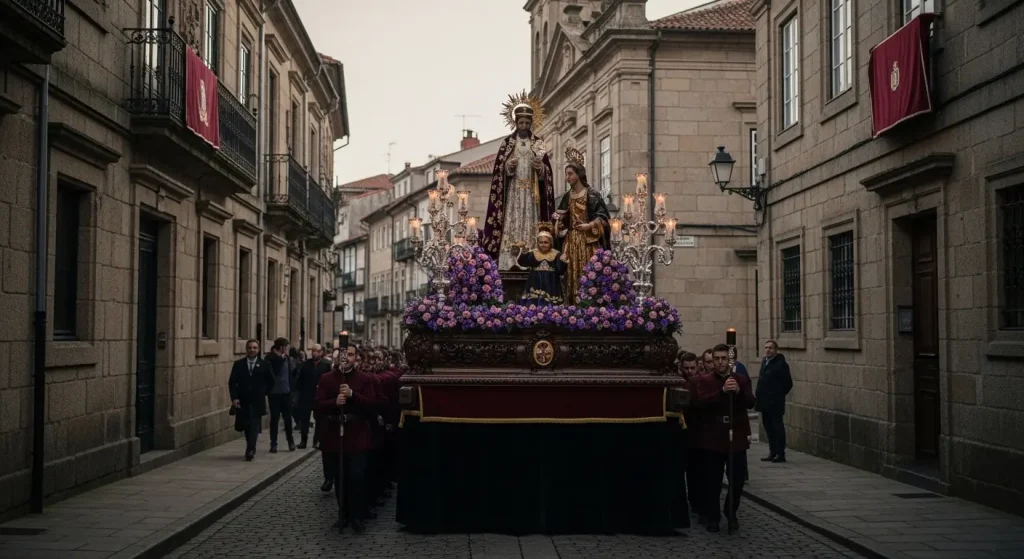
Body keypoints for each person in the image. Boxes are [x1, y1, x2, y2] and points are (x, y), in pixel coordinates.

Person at [315, 343, 386, 534]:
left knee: (356, 477)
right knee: (340, 478)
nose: (347, 358)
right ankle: (343, 514)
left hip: (357, 434)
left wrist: (353, 395)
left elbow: (373, 405)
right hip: (334, 435)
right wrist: (333, 402)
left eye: (351, 355)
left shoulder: (365, 379)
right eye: (344, 355)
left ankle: (357, 515)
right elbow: (317, 404)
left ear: (356, 358)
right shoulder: (327, 378)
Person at [482, 90, 556, 269]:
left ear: (531, 123)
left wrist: (541, 170)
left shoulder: (538, 144)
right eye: (520, 122)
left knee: (531, 220)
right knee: (512, 221)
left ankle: (531, 254)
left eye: (527, 123)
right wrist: (508, 168)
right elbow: (499, 172)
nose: (523, 126)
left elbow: (547, 173)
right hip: (514, 192)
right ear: (515, 123)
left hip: (532, 194)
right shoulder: (507, 144)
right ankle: (509, 259)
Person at [689, 343, 756, 533]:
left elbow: (751, 402)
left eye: (723, 358)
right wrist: (722, 392)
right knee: (712, 480)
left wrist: (738, 392)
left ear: (729, 360)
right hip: (713, 436)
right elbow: (700, 402)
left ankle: (731, 510)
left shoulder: (740, 379)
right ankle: (713, 517)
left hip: (737, 434)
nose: (720, 362)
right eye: (717, 359)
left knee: (737, 478)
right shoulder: (703, 380)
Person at [553, 147, 610, 304]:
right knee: (569, 273)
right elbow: (561, 220)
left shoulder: (592, 194)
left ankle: (589, 305)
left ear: (579, 174)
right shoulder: (567, 196)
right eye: (566, 174)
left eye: (570, 174)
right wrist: (558, 226)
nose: (567, 177)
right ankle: (570, 305)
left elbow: (603, 218)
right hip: (571, 242)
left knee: (589, 272)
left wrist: (589, 225)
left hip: (588, 242)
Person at [228, 339, 275, 461]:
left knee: (254, 425)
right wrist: (234, 398)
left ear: (258, 350)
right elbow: (232, 382)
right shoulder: (239, 364)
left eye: (254, 348)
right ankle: (250, 446)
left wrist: (263, 392)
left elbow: (271, 382)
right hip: (243, 400)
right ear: (246, 349)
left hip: (257, 400)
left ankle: (250, 449)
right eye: (250, 348)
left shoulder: (265, 364)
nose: (252, 350)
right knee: (246, 425)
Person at [755, 339, 793, 463]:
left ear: (776, 350)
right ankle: (772, 452)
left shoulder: (781, 364)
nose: (768, 350)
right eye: (766, 347)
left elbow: (788, 383)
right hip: (764, 402)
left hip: (775, 402)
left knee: (777, 427)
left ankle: (780, 454)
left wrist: (777, 394)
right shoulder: (764, 362)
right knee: (768, 428)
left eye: (771, 348)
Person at [516, 222, 568, 305]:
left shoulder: (557, 254)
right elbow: (523, 263)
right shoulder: (533, 253)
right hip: (534, 282)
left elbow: (560, 270)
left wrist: (564, 262)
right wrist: (524, 250)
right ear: (537, 243)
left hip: (552, 284)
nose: (543, 245)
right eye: (541, 242)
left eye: (546, 242)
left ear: (551, 242)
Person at [295, 344, 331, 452]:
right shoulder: (305, 364)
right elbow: (299, 379)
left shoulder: (326, 365)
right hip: (306, 395)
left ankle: (316, 441)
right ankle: (303, 441)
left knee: (319, 419)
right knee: (304, 419)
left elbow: (329, 380)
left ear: (322, 352)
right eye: (313, 351)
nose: (315, 353)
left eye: (317, 351)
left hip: (320, 396)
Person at [264, 337, 296, 453]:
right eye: (285, 347)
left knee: (288, 419)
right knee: (275, 419)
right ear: (281, 347)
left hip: (286, 393)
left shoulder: (286, 358)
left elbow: (291, 373)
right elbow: (274, 372)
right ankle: (273, 443)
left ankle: (290, 441)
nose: (287, 349)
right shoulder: (270, 358)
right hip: (274, 393)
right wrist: (280, 358)